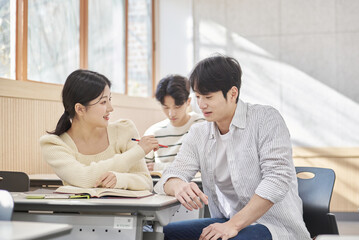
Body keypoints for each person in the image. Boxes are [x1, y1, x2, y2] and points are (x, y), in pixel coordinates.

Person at [154, 55, 311, 240]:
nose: (201, 104)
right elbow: (169, 176)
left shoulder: (266, 119)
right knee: (163, 234)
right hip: (226, 221)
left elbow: (277, 179)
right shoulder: (199, 133)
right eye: (197, 97)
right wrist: (178, 185)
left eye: (208, 97)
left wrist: (233, 225)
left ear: (233, 93)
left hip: (272, 226)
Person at [40, 69, 158, 191]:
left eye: (109, 100)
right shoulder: (54, 144)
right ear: (80, 109)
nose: (110, 108)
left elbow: (146, 183)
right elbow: (83, 178)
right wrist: (139, 151)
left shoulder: (124, 130)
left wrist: (120, 179)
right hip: (80, 210)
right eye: (103, 102)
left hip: (123, 210)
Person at [144, 74, 204, 171]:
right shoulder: (153, 132)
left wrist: (161, 167)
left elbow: (203, 166)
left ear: (188, 101)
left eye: (177, 107)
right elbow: (146, 169)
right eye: (166, 107)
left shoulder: (201, 124)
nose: (171, 114)